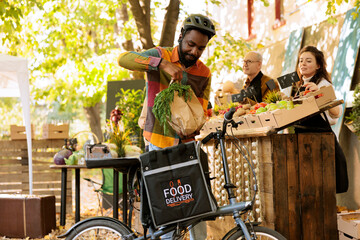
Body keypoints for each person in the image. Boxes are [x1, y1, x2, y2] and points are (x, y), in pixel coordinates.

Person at [118, 13, 216, 240]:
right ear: (181, 36)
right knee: (166, 204)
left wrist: (192, 124)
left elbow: (200, 110)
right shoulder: (160, 55)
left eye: (200, 48)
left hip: (187, 145)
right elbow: (123, 59)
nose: (194, 52)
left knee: (196, 204)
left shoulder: (204, 72)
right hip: (158, 141)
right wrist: (163, 65)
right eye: (191, 44)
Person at [291, 45, 348, 193]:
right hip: (303, 141)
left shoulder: (323, 84)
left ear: (318, 65)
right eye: (301, 61)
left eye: (308, 61)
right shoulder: (298, 85)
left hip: (321, 142)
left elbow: (336, 112)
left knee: (324, 187)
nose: (303, 64)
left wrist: (320, 94)